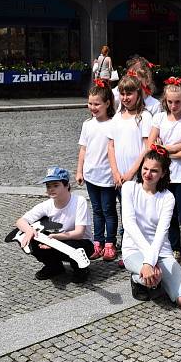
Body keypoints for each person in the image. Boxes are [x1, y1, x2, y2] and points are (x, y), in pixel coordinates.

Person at [121, 146, 181, 306]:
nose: (147, 174)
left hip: (162, 252)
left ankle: (155, 280)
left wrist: (151, 261)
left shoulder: (167, 197)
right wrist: (149, 261)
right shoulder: (129, 188)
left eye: (154, 171)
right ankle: (137, 279)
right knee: (152, 278)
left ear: (163, 173)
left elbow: (161, 233)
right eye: (145, 168)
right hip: (134, 249)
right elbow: (129, 224)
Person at [147, 77, 181, 272]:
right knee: (169, 216)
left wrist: (165, 149)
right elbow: (151, 146)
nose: (174, 105)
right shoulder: (159, 118)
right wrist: (175, 146)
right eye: (170, 101)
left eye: (178, 102)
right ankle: (175, 249)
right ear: (165, 101)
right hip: (164, 176)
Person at [12, 166, 94, 282]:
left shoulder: (79, 201)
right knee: (27, 237)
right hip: (55, 241)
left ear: (67, 185)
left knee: (73, 246)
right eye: (48, 186)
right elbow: (20, 221)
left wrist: (55, 240)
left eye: (56, 185)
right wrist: (30, 231)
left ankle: (80, 269)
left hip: (82, 243)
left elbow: (79, 233)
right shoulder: (47, 205)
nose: (51, 189)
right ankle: (54, 267)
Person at [108, 73, 153, 246]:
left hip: (137, 175)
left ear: (138, 94)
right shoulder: (117, 117)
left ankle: (142, 244)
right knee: (125, 211)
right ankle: (127, 243)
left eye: (129, 94)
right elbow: (111, 146)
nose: (125, 98)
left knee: (140, 212)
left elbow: (146, 147)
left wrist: (131, 172)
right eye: (122, 94)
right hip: (120, 176)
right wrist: (115, 172)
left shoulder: (144, 117)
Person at [77, 79, 118, 262]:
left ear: (107, 103)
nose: (93, 107)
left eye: (97, 104)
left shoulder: (113, 124)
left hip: (107, 175)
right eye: (90, 103)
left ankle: (110, 242)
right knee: (96, 210)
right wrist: (79, 171)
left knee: (109, 209)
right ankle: (98, 241)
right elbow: (83, 149)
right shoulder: (88, 124)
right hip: (91, 174)